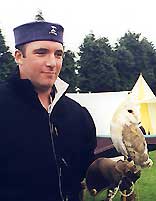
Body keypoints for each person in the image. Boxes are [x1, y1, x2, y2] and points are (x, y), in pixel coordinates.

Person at [0, 20, 97, 201]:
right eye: (41, 52)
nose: (52, 62)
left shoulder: (77, 114)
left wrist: (103, 169)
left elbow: (83, 169)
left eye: (58, 54)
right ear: (19, 56)